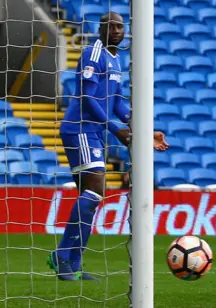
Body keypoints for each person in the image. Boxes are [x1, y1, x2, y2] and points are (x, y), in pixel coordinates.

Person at [48, 12, 168, 281]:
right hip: (79, 128)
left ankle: (71, 263)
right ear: (100, 29)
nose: (116, 30)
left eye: (119, 26)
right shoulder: (94, 53)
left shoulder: (115, 60)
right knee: (96, 190)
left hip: (92, 132)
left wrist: (144, 130)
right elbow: (87, 97)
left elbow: (116, 103)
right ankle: (63, 257)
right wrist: (115, 129)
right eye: (110, 26)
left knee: (90, 196)